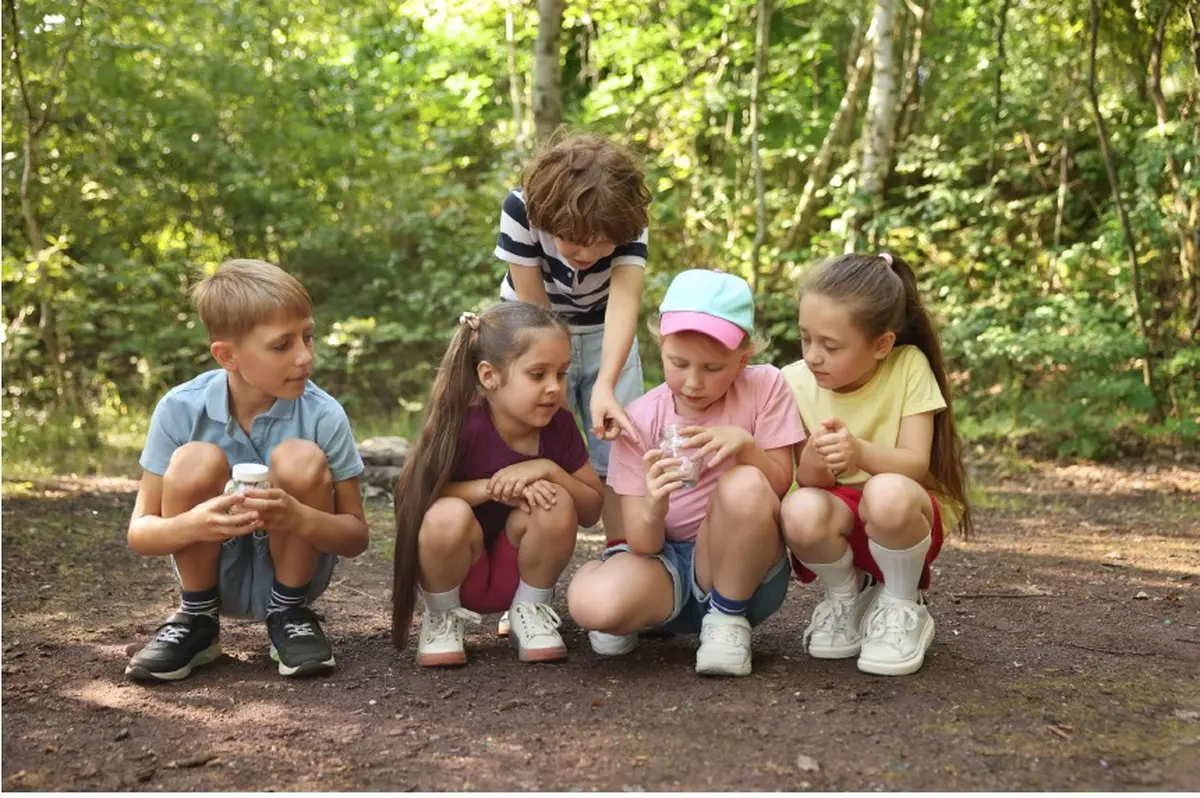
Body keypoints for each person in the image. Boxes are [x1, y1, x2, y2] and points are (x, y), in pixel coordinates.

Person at [125, 259, 368, 682]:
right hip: (210, 573)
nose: (305, 357)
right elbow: (140, 532)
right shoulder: (180, 409)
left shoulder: (323, 414)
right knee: (194, 458)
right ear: (228, 355)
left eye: (308, 337)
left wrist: (298, 515)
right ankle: (196, 621)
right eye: (282, 346)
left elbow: (356, 537)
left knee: (301, 457)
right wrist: (193, 524)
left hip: (298, 571)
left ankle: (289, 614)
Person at [566, 270, 805, 676]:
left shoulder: (765, 387)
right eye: (678, 363)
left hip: (746, 573)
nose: (693, 383)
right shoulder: (640, 419)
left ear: (743, 359)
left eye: (713, 368)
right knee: (594, 606)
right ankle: (616, 591)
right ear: (661, 347)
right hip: (665, 569)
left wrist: (746, 447)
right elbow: (642, 543)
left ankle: (726, 622)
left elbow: (780, 484)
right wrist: (655, 504)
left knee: (746, 482)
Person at [780, 252, 973, 676]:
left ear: (882, 345)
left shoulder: (907, 367)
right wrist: (813, 460)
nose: (813, 356)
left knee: (887, 492)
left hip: (902, 514)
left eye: (830, 346)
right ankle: (847, 596)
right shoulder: (793, 382)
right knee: (798, 509)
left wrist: (860, 452)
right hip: (840, 518)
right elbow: (804, 481)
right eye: (805, 338)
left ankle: (904, 605)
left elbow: (914, 464)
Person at [390, 302, 604, 666]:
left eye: (562, 373)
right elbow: (411, 498)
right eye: (538, 375)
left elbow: (590, 510)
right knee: (446, 513)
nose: (554, 388)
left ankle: (531, 613)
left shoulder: (560, 426)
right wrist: (493, 487)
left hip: (517, 574)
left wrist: (549, 470)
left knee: (555, 500)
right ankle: (442, 618)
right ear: (489, 376)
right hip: (459, 572)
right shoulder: (461, 424)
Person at [494, 132, 652, 550]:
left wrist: (604, 385)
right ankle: (524, 570)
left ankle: (621, 555)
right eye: (575, 241)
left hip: (607, 332)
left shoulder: (627, 217)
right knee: (532, 442)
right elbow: (537, 310)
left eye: (603, 244)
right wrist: (554, 390)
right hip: (531, 330)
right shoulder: (522, 209)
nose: (588, 254)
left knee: (620, 448)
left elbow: (623, 302)